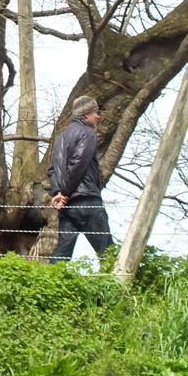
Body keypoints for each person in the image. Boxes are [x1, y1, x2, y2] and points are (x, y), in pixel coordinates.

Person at [48, 95, 115, 263]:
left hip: (67, 207)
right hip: (87, 201)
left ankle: (48, 283)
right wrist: (65, 192)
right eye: (95, 113)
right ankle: (119, 285)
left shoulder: (61, 138)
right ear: (86, 115)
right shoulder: (87, 133)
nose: (98, 116)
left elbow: (51, 170)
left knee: (62, 252)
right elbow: (79, 163)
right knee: (107, 250)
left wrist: (58, 193)